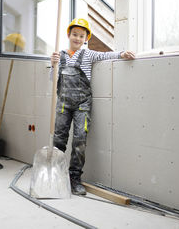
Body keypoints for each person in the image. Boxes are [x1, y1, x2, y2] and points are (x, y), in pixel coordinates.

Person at [51, 18, 135, 195]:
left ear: (86, 38)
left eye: (81, 36)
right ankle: (55, 175)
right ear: (69, 34)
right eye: (75, 34)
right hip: (63, 104)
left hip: (82, 105)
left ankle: (74, 178)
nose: (77, 38)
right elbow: (53, 79)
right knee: (59, 140)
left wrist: (122, 54)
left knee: (80, 140)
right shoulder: (60, 55)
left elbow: (106, 55)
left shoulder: (89, 54)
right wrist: (53, 64)